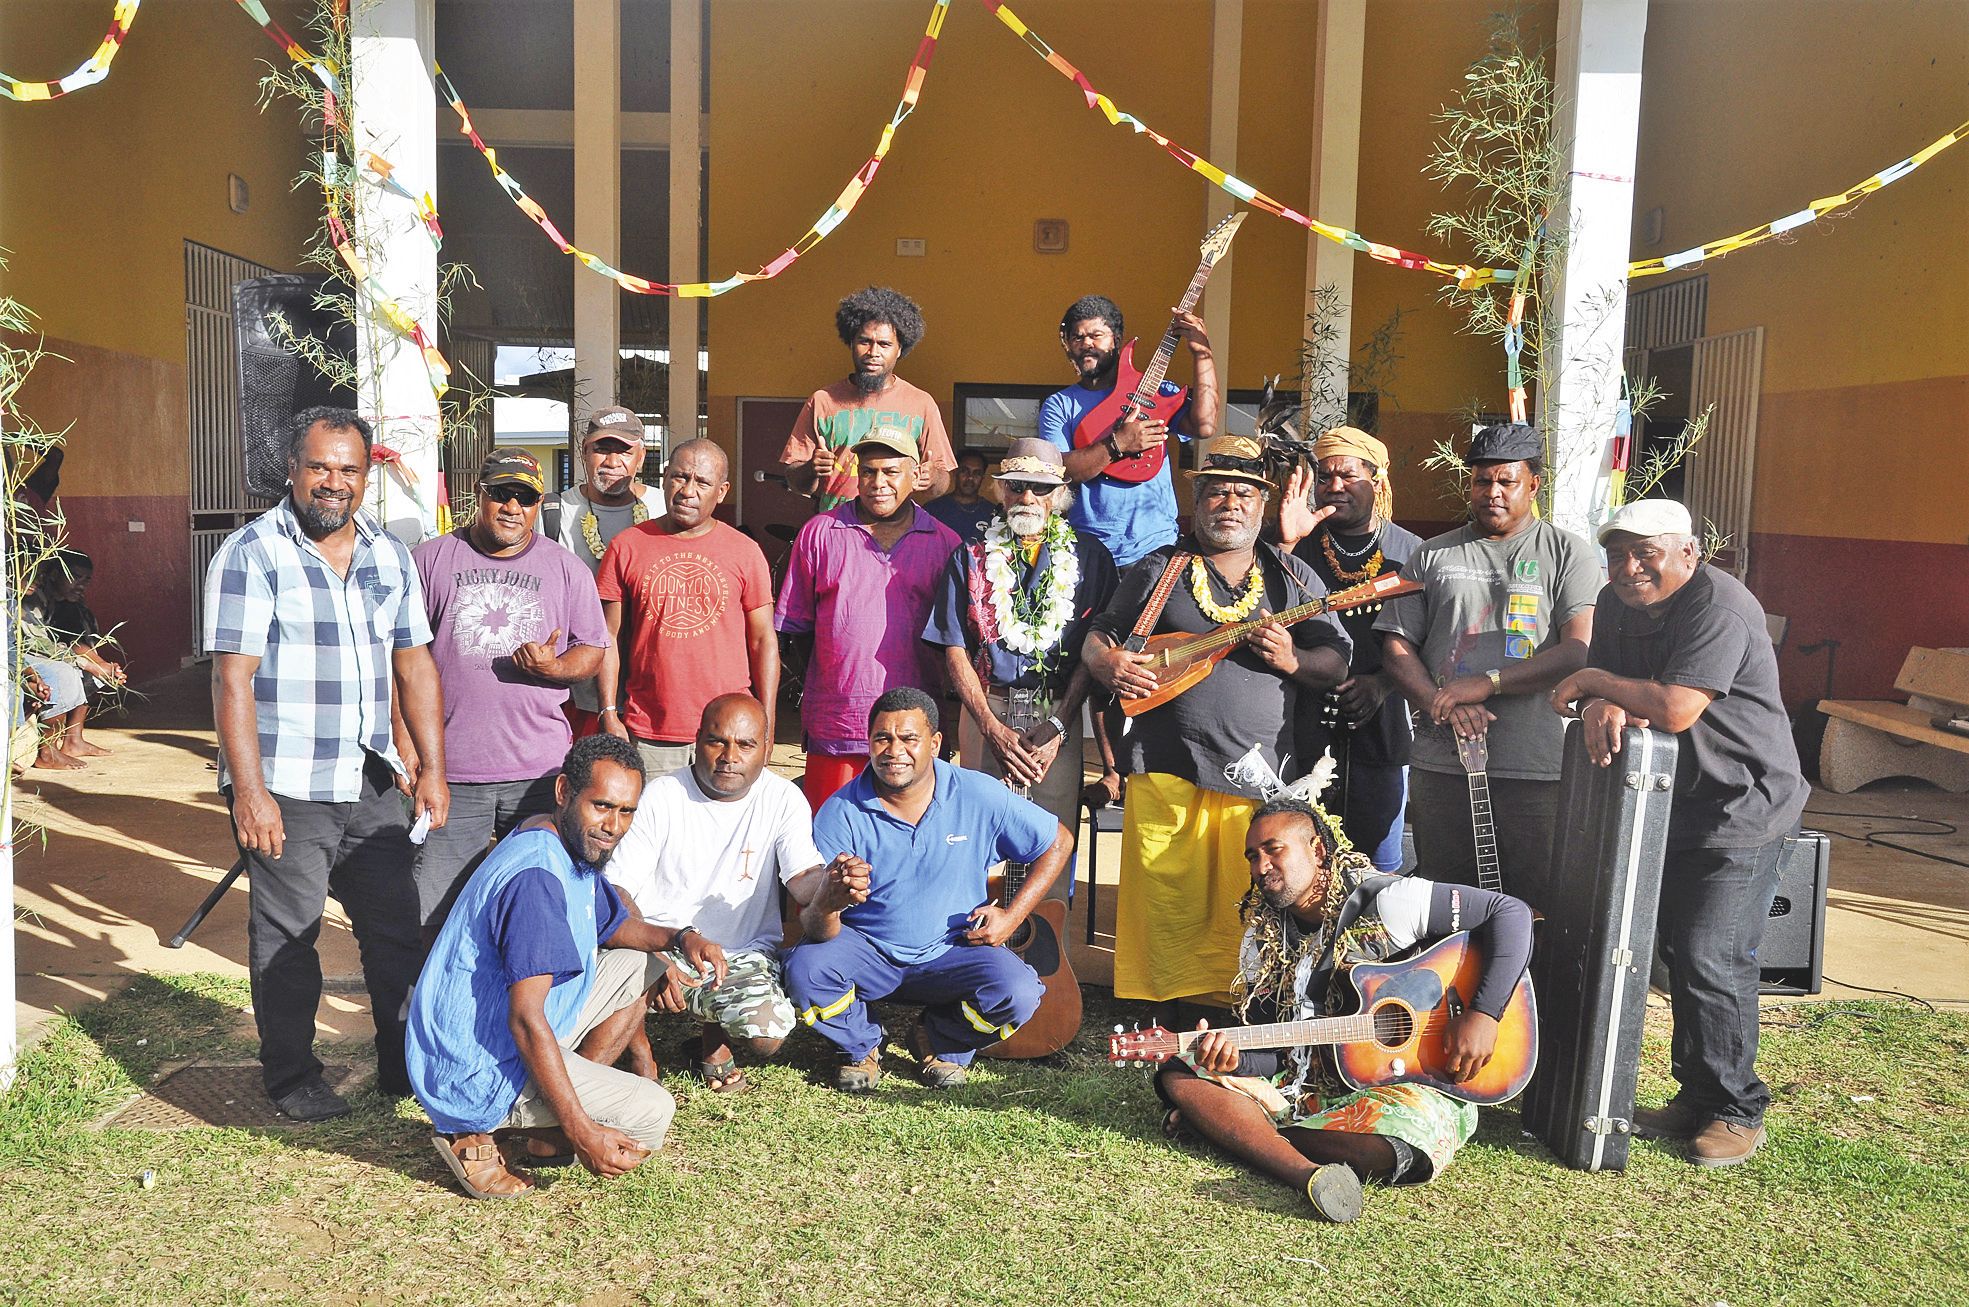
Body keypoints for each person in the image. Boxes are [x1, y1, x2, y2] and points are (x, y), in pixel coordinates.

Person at [203, 406, 449, 1121]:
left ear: (367, 476)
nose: (333, 482)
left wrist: (432, 766)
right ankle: (291, 1077)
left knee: (394, 930)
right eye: (319, 467)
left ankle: (403, 1065)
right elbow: (232, 681)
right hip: (287, 783)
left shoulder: (389, 553)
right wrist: (249, 792)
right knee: (289, 936)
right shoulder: (252, 553)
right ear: (291, 470)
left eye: (348, 469)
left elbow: (414, 663)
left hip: (371, 778)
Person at [1550, 499, 1808, 1168]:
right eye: (1617, 556)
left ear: (1688, 553)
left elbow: (1673, 707)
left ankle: (1736, 1107)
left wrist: (1592, 681)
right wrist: (1601, 699)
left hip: (1743, 804)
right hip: (1666, 801)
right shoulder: (1616, 604)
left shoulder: (1719, 607)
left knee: (1709, 952)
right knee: (1673, 949)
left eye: (1646, 553)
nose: (1630, 568)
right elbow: (1614, 691)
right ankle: (1697, 1097)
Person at [1154, 795, 1534, 1222]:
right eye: (1252, 857)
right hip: (1307, 1082)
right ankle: (1303, 1172)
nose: (1261, 867)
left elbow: (1510, 913)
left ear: (1317, 849)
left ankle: (1241, 1133)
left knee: (1397, 1146)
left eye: (1273, 850)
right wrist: (1233, 1058)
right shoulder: (1261, 941)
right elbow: (1279, 1051)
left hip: (1408, 1077)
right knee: (1181, 1070)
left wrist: (1484, 1014)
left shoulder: (1389, 902)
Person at [1082, 436, 1351, 1005]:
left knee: (1246, 895)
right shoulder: (1159, 568)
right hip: (1164, 763)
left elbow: (1336, 659)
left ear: (1262, 505)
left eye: (1244, 494)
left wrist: (1293, 659)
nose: (1230, 503)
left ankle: (1240, 1009)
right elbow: (1100, 634)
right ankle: (1160, 1011)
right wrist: (1108, 663)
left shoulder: (1291, 576)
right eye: (1217, 492)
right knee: (1165, 895)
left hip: (1259, 770)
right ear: (1196, 500)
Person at [406, 735, 727, 1199]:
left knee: (643, 964)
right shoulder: (537, 879)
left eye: (627, 811)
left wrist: (681, 938)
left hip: (500, 1033)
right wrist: (582, 1132)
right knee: (652, 1112)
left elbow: (614, 927)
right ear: (563, 792)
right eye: (602, 806)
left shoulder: (556, 837)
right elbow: (525, 1018)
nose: (613, 825)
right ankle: (475, 1131)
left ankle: (548, 1116)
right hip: (475, 1068)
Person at [783, 688, 1073, 1091]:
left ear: (935, 744)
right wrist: (829, 902)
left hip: (952, 950)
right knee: (805, 971)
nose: (894, 751)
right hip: (868, 951)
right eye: (882, 738)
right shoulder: (841, 810)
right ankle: (862, 1044)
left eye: (909, 738)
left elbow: (1058, 841)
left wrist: (1012, 917)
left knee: (1018, 992)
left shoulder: (977, 793)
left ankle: (939, 1039)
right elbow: (816, 928)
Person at [1374, 422, 1599, 909]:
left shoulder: (1566, 553)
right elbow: (1396, 646)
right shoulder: (1432, 554)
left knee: (1534, 904)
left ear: (1533, 484)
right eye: (1481, 481)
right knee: (1444, 901)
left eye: (1505, 481)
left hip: (1532, 767)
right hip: (1443, 763)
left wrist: (1487, 683)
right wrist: (1443, 703)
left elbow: (1576, 651)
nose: (1491, 492)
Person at [409, 448, 609, 939]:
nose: (512, 507)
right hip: (451, 774)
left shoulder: (566, 569)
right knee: (433, 914)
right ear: (479, 495)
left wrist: (555, 667)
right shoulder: (429, 561)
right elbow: (401, 660)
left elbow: (593, 649)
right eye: (501, 493)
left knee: (543, 908)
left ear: (539, 503)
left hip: (539, 774)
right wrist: (409, 749)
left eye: (525, 497)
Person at [1038, 294, 1221, 807]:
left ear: (1117, 340)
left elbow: (1205, 424)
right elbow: (1057, 469)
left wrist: (1202, 354)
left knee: (1159, 656)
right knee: (1095, 659)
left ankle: (1157, 760)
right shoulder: (1060, 405)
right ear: (1065, 344)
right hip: (1088, 551)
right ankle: (1113, 770)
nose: (1086, 344)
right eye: (1077, 337)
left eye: (1096, 335)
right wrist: (1118, 444)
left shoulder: (1155, 391)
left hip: (1156, 550)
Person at [607, 694, 825, 1093]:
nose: (729, 756)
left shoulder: (783, 798)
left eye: (745, 744)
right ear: (697, 740)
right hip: (660, 945)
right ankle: (641, 1055)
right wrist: (651, 953)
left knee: (768, 1033)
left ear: (767, 749)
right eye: (716, 741)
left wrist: (834, 883)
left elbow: (803, 880)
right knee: (615, 958)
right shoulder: (661, 794)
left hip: (739, 954)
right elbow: (618, 889)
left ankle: (712, 1037)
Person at [923, 437, 1117, 883]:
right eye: (1016, 485)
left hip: (1058, 713)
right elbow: (953, 648)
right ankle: (980, 926)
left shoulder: (1091, 558)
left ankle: (1045, 928)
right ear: (1000, 490)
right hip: (985, 708)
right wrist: (990, 727)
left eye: (1040, 487)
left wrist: (1059, 727)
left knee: (1052, 837)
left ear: (1060, 494)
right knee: (979, 838)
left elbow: (1096, 652)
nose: (1027, 496)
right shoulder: (969, 556)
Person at [775, 427, 960, 811]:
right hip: (838, 726)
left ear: (915, 475)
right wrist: (834, 680)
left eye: (891, 472)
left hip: (914, 733)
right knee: (833, 835)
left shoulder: (944, 543)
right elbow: (798, 630)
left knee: (910, 835)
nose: (878, 483)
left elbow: (956, 645)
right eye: (868, 472)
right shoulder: (819, 533)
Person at [1277, 428, 1424, 871]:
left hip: (1381, 735)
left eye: (1348, 476)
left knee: (1374, 872)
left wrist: (1381, 684)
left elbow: (1431, 643)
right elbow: (1258, 611)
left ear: (1378, 482)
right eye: (1324, 477)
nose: (1335, 486)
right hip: (1298, 729)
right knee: (1299, 865)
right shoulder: (1294, 541)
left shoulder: (1414, 553)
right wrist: (1284, 544)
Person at [594, 438, 777, 778]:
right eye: (679, 477)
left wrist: (765, 721)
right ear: (665, 479)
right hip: (651, 732)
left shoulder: (745, 551)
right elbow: (608, 637)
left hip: (729, 732)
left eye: (702, 482)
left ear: (721, 492)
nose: (687, 491)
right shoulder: (627, 547)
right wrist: (608, 711)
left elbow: (763, 640)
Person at [540, 405, 664, 737]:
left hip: (652, 693)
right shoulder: (553, 512)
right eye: (602, 449)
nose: (612, 461)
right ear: (583, 452)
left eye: (624, 451)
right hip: (576, 694)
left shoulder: (664, 508)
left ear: (641, 457)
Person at [778, 286, 956, 509]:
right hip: (837, 525)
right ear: (851, 343)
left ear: (899, 349)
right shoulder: (823, 401)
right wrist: (811, 469)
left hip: (898, 528)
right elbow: (796, 482)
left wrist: (932, 477)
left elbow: (942, 484)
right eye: (865, 342)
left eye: (884, 344)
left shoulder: (921, 404)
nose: (873, 352)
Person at [21, 553, 125, 768]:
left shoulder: (72, 603)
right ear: (55, 575)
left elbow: (77, 640)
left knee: (92, 675)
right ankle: (47, 751)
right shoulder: (31, 598)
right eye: (75, 577)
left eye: (86, 580)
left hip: (50, 655)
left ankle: (73, 740)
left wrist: (102, 666)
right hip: (25, 656)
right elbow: (40, 645)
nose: (80, 585)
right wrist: (89, 664)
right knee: (65, 673)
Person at [923, 448, 997, 543]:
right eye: (964, 471)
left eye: (977, 473)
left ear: (983, 477)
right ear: (955, 472)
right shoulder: (933, 510)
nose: (970, 477)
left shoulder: (992, 513)